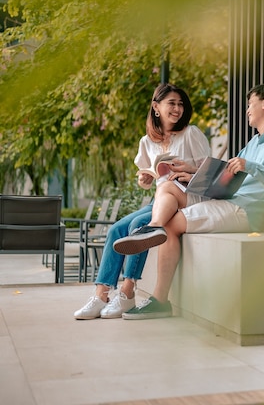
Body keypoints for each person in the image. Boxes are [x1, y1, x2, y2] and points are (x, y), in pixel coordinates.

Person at [112, 82, 264, 319]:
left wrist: (250, 166)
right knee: (169, 185)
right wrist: (192, 173)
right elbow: (226, 177)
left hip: (245, 210)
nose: (247, 110)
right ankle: (153, 228)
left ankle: (160, 298)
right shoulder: (254, 142)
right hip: (228, 200)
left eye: (250, 104)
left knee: (171, 225)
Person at [73, 83, 211, 319]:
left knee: (139, 227)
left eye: (180, 104)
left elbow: (209, 173)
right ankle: (100, 295)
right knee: (117, 229)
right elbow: (147, 178)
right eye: (171, 103)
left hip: (187, 198)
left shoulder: (191, 133)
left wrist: (189, 168)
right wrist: (145, 178)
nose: (177, 108)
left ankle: (127, 294)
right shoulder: (147, 142)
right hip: (160, 198)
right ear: (156, 107)